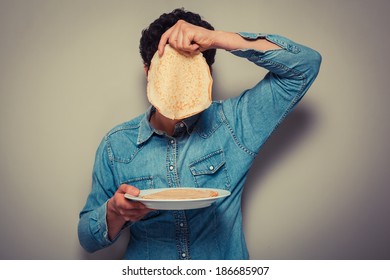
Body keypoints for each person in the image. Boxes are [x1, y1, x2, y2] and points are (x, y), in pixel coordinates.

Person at [78, 8, 321, 260]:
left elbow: (306, 65)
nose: (177, 81)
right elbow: (86, 238)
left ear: (209, 75)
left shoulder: (234, 123)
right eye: (169, 69)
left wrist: (218, 38)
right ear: (148, 72)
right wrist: (114, 213)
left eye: (189, 68)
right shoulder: (115, 145)